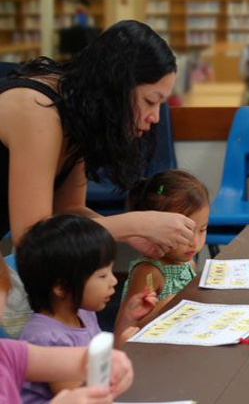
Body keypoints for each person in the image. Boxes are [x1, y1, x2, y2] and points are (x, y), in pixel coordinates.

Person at [0, 19, 195, 336]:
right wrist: (136, 223)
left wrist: (128, 233)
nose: (155, 117)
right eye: (150, 101)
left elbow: (69, 212)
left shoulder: (79, 112)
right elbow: (32, 239)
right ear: (117, 88)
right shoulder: (39, 111)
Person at [16, 214, 155, 404]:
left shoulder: (83, 312)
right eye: (102, 275)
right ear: (62, 287)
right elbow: (86, 396)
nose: (114, 281)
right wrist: (122, 348)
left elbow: (102, 358)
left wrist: (129, 317)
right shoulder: (44, 338)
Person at [0, 254, 134, 404]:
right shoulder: (42, 335)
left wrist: (114, 356)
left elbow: (77, 360)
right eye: (102, 275)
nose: (114, 280)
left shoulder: (7, 352)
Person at [117, 169, 209, 327]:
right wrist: (164, 308)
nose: (194, 242)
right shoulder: (150, 271)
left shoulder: (187, 262)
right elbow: (127, 326)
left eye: (202, 230)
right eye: (184, 232)